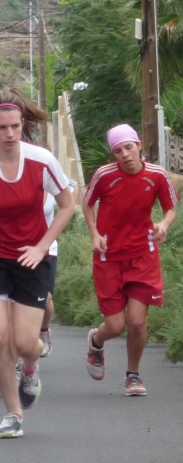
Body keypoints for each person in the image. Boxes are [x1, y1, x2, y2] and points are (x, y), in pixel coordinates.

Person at [0, 90, 75, 439]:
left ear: (23, 125)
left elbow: (67, 205)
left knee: (24, 343)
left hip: (31, 255)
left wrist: (42, 246)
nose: (10, 134)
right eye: (2, 128)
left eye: (15, 127)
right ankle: (13, 413)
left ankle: (31, 366)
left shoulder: (42, 160)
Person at [83, 124, 177, 396]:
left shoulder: (157, 175)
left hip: (142, 255)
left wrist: (164, 224)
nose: (124, 154)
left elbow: (171, 207)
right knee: (116, 326)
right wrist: (94, 233)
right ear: (113, 154)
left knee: (136, 322)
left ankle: (133, 375)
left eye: (128, 147)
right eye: (117, 150)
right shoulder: (104, 175)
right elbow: (87, 203)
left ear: (139, 145)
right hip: (108, 257)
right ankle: (96, 341)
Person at [39, 177, 78, 358]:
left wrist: (64, 221)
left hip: (48, 250)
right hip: (21, 251)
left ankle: (44, 329)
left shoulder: (51, 181)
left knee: (45, 298)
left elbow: (73, 186)